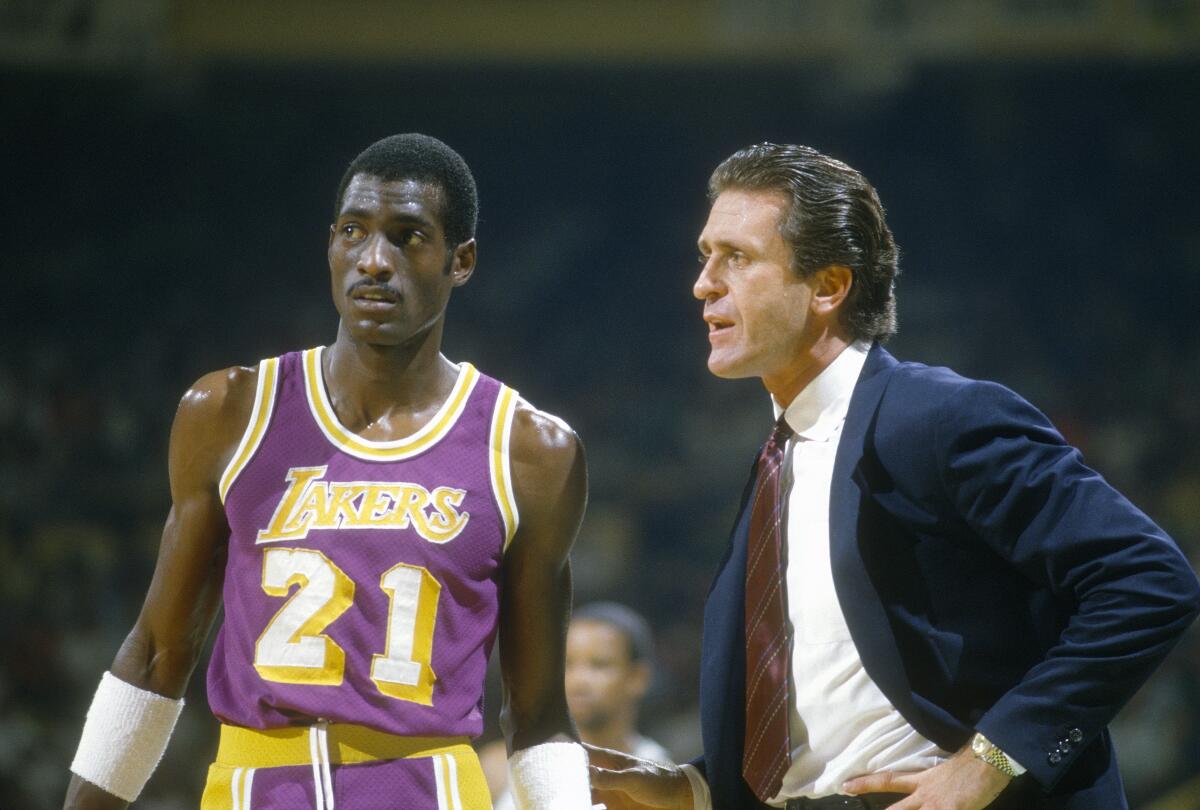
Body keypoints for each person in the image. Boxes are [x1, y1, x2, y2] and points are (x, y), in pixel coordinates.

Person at [588, 142, 1200, 809]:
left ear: (828, 286)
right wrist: (694, 785)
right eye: (705, 255)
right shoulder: (777, 457)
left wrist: (993, 760)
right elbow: (839, 700)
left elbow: (1149, 580)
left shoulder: (939, 415)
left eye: (736, 256)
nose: (703, 282)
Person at [64, 133, 593, 810]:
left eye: (408, 237)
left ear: (461, 260)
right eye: (354, 231)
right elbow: (156, 656)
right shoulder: (229, 410)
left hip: (428, 787)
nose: (374, 260)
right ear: (330, 245)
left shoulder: (531, 451)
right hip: (251, 785)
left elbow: (540, 712)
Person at [481, 602, 673, 808]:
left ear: (638, 677)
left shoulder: (659, 774)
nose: (578, 681)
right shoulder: (500, 766)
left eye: (599, 664)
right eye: (567, 664)